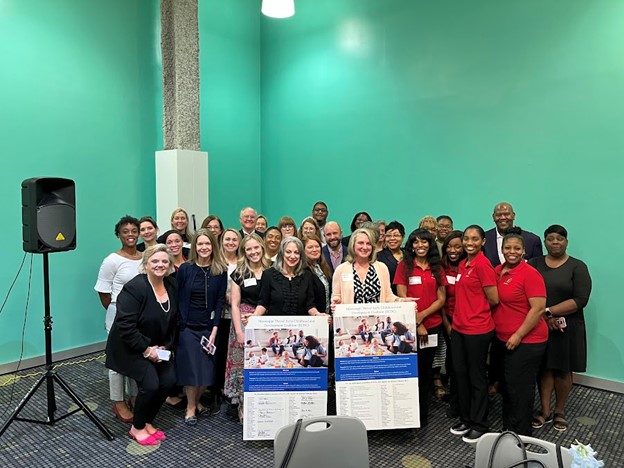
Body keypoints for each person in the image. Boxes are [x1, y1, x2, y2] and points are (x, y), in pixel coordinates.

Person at [105, 244, 178, 445]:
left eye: (164, 261)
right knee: (151, 384)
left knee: (169, 381)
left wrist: (165, 347)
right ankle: (137, 428)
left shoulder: (172, 285)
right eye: (155, 261)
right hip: (130, 348)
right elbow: (125, 326)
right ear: (145, 264)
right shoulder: (135, 288)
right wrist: (147, 349)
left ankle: (147, 422)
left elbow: (173, 321)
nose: (160, 265)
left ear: (170, 265)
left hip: (158, 348)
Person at [529, 225, 592, 433]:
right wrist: (543, 317)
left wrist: (548, 311)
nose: (555, 242)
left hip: (567, 327)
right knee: (545, 368)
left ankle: (560, 411)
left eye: (559, 239)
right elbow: (525, 291)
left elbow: (580, 299)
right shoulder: (534, 264)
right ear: (545, 242)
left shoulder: (577, 266)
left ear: (566, 242)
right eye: (550, 239)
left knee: (563, 370)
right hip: (539, 325)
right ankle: (545, 411)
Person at [492, 228, 548, 436]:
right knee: (507, 386)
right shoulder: (498, 270)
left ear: (524, 251)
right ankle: (509, 428)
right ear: (502, 249)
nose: (512, 251)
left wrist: (518, 335)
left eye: (517, 248)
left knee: (520, 389)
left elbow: (538, 309)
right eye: (508, 248)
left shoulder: (530, 274)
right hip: (502, 339)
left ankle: (521, 434)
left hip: (527, 341)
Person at [450, 225, 499, 444]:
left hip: (478, 330)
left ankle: (479, 424)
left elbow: (494, 299)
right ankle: (466, 418)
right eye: (466, 238)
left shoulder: (483, 265)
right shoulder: (463, 264)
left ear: (482, 242)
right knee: (460, 374)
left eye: (474, 239)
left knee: (476, 377)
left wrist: (475, 313)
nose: (469, 242)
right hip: (459, 329)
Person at [394, 228, 447, 427]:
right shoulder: (404, 266)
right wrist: (417, 323)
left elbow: (441, 298)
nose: (420, 246)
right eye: (415, 242)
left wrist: (422, 318)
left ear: (430, 244)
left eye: (424, 242)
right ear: (411, 246)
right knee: (409, 371)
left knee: (425, 371)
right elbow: (402, 299)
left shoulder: (437, 268)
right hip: (408, 329)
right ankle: (405, 413)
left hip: (432, 328)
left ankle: (421, 415)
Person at [175, 229, 228, 425]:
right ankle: (190, 407)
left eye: (207, 244)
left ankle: (196, 402)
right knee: (192, 368)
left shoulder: (220, 270)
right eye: (200, 244)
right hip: (187, 327)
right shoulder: (185, 269)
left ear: (213, 246)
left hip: (209, 327)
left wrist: (214, 330)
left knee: (206, 370)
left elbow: (220, 302)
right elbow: (178, 297)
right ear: (194, 247)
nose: (204, 247)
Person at [95, 216, 141, 423]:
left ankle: (134, 395)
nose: (130, 234)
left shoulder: (144, 257)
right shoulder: (112, 260)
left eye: (134, 230)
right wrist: (118, 311)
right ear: (118, 235)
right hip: (118, 317)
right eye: (125, 231)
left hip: (141, 317)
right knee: (116, 361)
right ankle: (119, 401)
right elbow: (104, 293)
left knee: (136, 358)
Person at [224, 233, 270, 422]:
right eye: (248, 249)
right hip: (243, 321)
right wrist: (239, 331)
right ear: (244, 251)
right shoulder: (239, 273)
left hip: (267, 322)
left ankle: (264, 403)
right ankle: (243, 404)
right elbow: (234, 304)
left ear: (262, 247)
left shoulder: (272, 270)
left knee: (265, 362)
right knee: (244, 366)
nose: (253, 252)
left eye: (256, 247)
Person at [246, 237, 327, 318]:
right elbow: (263, 303)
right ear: (282, 253)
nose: (292, 256)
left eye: (296, 253)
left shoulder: (307, 275)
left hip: (300, 327)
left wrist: (318, 314)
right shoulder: (268, 275)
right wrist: (254, 316)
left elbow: (310, 305)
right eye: (288, 252)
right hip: (275, 327)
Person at [332, 228, 406, 305]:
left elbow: (388, 296)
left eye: (368, 243)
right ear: (352, 245)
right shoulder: (341, 270)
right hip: (351, 317)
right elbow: (336, 296)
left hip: (377, 316)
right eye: (361, 243)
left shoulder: (382, 268)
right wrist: (336, 301)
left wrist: (402, 301)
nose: (365, 247)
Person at [440, 230, 466, 418]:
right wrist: (447, 324)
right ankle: (455, 398)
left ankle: (464, 399)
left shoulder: (468, 266)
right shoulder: (442, 267)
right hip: (449, 321)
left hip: (468, 323)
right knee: (453, 362)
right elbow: (440, 298)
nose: (453, 250)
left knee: (464, 364)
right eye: (449, 246)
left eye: (457, 246)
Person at [216, 228, 242, 410]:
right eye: (227, 239)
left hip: (236, 314)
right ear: (222, 241)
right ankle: (219, 388)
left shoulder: (243, 262)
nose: (231, 242)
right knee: (220, 353)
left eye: (234, 239)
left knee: (231, 354)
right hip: (220, 314)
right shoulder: (216, 262)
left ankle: (231, 390)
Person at [484, 202, 542, 267]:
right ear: (493, 217)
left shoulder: (532, 240)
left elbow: (538, 269)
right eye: (498, 215)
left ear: (513, 215)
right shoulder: (484, 239)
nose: (503, 217)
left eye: (506, 214)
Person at [303, 235, 332, 313]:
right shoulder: (303, 271)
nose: (315, 250)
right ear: (303, 250)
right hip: (312, 318)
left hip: (326, 316)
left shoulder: (324, 268)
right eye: (310, 247)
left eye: (317, 246)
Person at [377, 221, 405, 294]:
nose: (392, 238)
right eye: (388, 236)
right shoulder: (378, 257)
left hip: (409, 296)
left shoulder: (409, 255)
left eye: (396, 235)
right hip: (388, 298)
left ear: (403, 237)